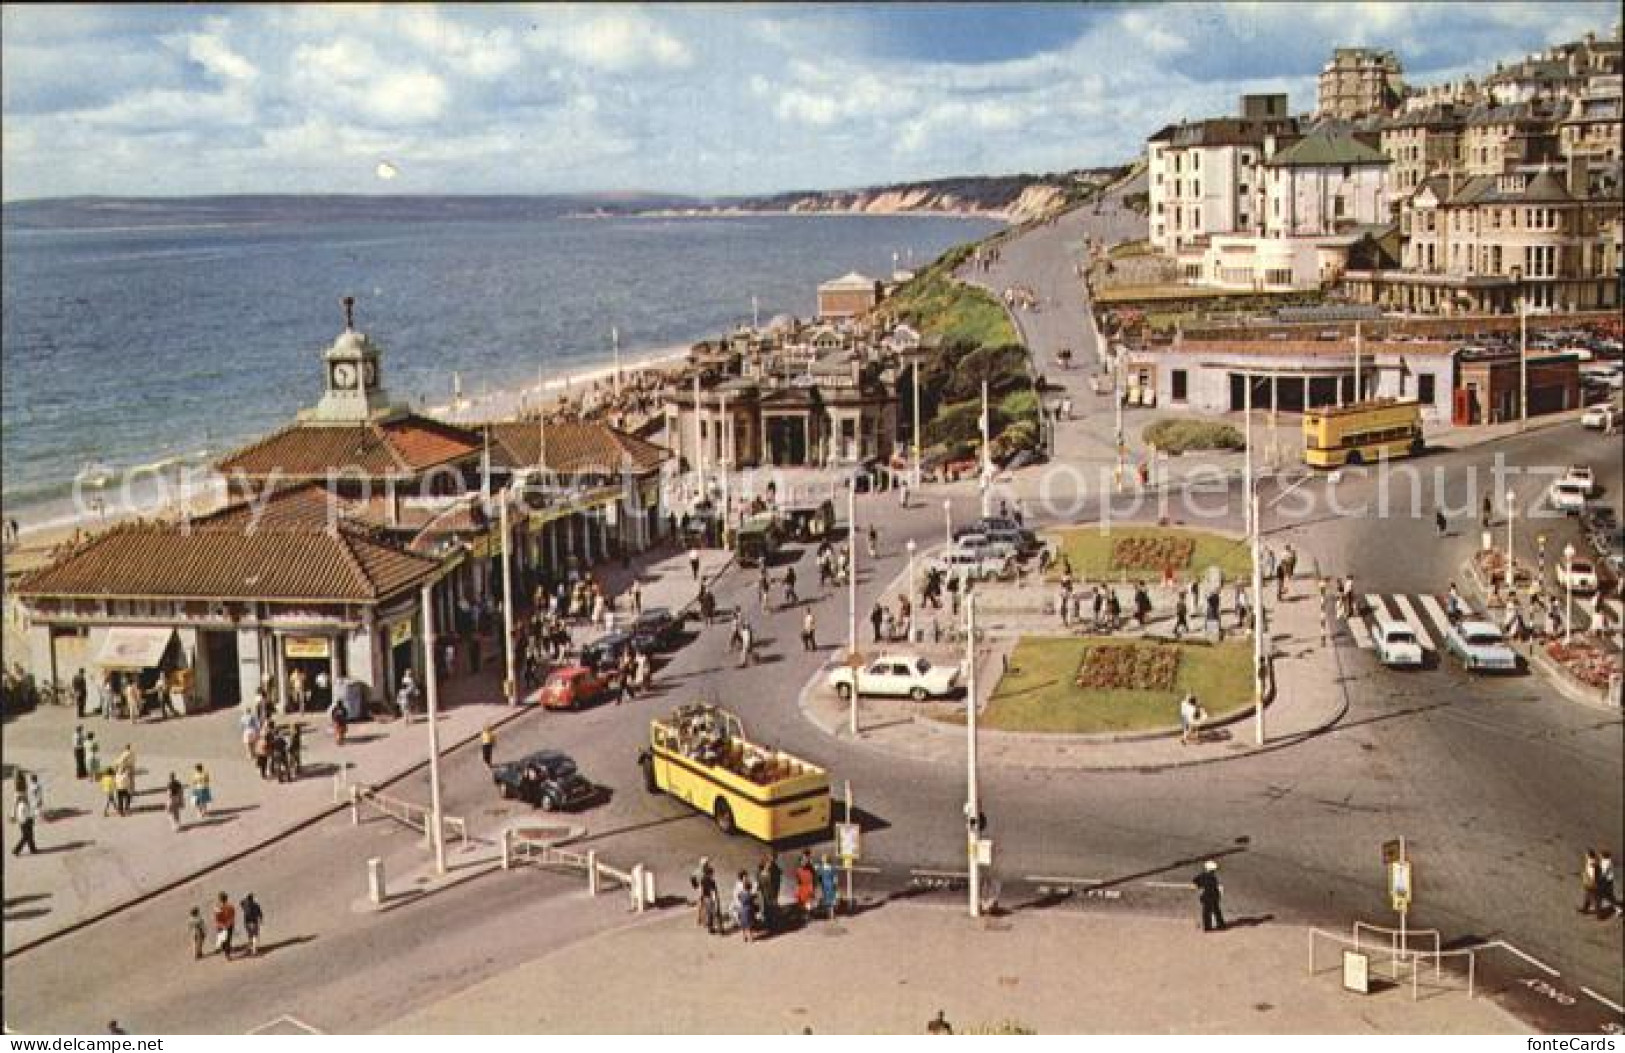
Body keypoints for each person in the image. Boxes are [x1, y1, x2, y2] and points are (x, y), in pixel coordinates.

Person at [1193, 860, 1225, 932]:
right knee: (1216, 911)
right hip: (1211, 897)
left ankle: (1208, 927)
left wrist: (1197, 886)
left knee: (1207, 912)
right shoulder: (1212, 878)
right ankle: (1220, 925)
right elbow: (1215, 887)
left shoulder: (1202, 876)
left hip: (1207, 897)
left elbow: (1195, 881)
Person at [733, 871, 757, 942]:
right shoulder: (747, 892)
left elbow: (738, 896)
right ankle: (750, 938)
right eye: (745, 876)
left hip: (742, 909)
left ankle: (744, 937)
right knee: (749, 925)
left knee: (743, 924)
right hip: (747, 909)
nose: (746, 877)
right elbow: (753, 896)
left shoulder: (741, 891)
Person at [11, 791, 38, 856]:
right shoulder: (23, 805)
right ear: (22, 798)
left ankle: (33, 849)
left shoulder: (20, 805)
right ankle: (16, 850)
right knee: (26, 837)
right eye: (25, 797)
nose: (26, 797)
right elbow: (27, 814)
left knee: (29, 836)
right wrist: (31, 818)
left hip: (22, 822)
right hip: (26, 822)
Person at [213, 892, 236, 959]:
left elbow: (216, 918)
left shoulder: (217, 907)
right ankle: (227, 954)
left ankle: (224, 948)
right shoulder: (230, 907)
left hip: (220, 926)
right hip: (229, 925)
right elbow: (233, 916)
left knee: (222, 938)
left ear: (219, 899)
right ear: (226, 899)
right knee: (228, 940)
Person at [817, 855, 839, 919]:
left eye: (824, 858)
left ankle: (831, 915)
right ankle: (827, 914)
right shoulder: (821, 868)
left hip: (830, 885)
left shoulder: (832, 867)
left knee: (831, 900)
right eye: (823, 859)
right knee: (826, 900)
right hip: (824, 885)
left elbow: (835, 876)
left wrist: (835, 884)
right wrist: (820, 884)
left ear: (827, 859)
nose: (823, 860)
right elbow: (820, 877)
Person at [795, 852, 816, 917]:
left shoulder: (810, 869)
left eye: (804, 861)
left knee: (808, 902)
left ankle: (808, 915)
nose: (803, 863)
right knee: (801, 902)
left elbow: (813, 879)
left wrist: (811, 888)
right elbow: (798, 881)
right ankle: (804, 914)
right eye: (802, 861)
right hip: (802, 887)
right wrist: (797, 889)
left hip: (808, 887)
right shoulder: (798, 870)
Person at [1580, 848, 1601, 914]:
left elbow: (1593, 874)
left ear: (1589, 855)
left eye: (1586, 854)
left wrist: (1592, 882)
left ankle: (1598, 912)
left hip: (1591, 883)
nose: (1585, 855)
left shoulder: (1592, 863)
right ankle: (1585, 909)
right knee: (1588, 896)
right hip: (1590, 882)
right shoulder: (1591, 861)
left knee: (1593, 897)